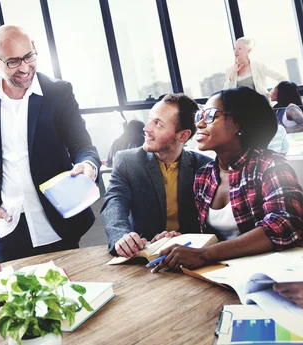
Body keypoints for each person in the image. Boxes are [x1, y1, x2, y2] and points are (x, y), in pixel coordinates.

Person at [0, 25, 100, 262]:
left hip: (57, 221)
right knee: (15, 297)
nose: (25, 68)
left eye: (29, 56)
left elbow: (82, 146)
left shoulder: (59, 92)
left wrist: (88, 165)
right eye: (13, 62)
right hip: (8, 227)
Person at [153, 87, 303, 273]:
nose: (199, 124)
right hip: (223, 274)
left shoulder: (270, 166)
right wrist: (177, 239)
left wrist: (204, 254)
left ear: (239, 124)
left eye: (210, 116)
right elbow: (205, 236)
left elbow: (285, 225)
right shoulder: (204, 176)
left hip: (275, 276)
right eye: (199, 115)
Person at [101, 94, 212, 257]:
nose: (146, 128)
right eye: (150, 120)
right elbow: (114, 202)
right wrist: (121, 235)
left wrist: (184, 238)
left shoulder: (204, 166)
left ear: (182, 136)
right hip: (143, 255)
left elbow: (211, 221)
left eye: (158, 124)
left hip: (190, 254)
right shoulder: (127, 160)